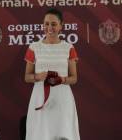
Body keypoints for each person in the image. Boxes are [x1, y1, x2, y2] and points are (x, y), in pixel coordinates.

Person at [24, 8, 80, 140]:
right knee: (41, 133)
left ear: (61, 26)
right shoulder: (34, 47)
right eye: (46, 23)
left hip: (62, 100)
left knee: (63, 133)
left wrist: (62, 79)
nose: (49, 27)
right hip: (40, 99)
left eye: (54, 24)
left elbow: (74, 78)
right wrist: (39, 76)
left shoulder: (68, 47)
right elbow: (27, 77)